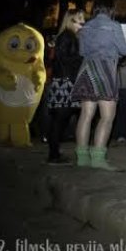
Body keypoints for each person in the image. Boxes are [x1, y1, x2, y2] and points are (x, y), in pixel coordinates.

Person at [70, 0, 126, 169]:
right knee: (107, 116)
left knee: (86, 115)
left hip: (87, 69)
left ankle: (82, 158)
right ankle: (98, 159)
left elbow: (82, 51)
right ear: (111, 9)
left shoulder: (86, 27)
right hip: (105, 71)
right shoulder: (114, 26)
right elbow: (124, 50)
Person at [45, 9, 85, 165]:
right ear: (71, 20)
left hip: (65, 81)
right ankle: (53, 156)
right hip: (65, 83)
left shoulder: (69, 37)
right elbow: (64, 59)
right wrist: (82, 57)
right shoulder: (66, 37)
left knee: (61, 119)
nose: (83, 21)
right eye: (79, 18)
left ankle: (54, 153)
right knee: (60, 119)